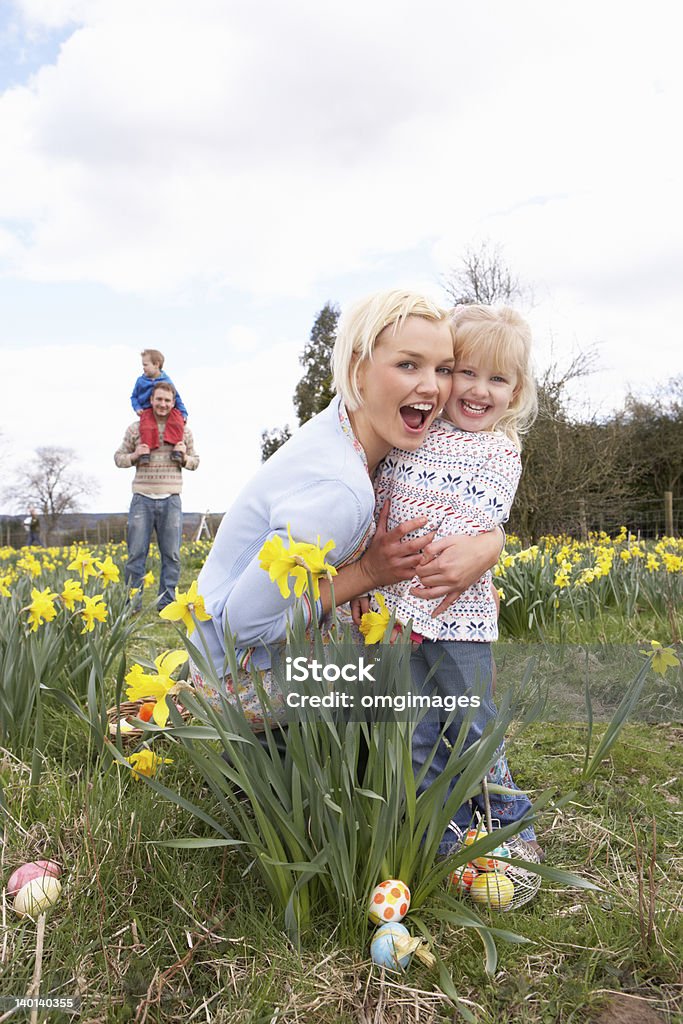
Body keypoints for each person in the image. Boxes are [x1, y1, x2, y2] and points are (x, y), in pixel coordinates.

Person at [190, 290, 505, 729]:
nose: (433, 386)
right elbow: (242, 626)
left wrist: (490, 544)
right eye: (408, 364)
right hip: (236, 681)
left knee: (437, 607)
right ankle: (425, 756)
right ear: (358, 370)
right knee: (408, 627)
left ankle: (439, 747)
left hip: (219, 655)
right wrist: (367, 576)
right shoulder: (341, 490)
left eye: (444, 369)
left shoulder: (352, 427)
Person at [365, 304, 541, 854]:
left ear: (516, 392)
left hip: (456, 617)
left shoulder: (500, 450)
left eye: (498, 379)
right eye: (467, 372)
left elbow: (471, 526)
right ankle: (442, 834)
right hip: (396, 614)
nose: (480, 390)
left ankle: (511, 828)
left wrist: (478, 557)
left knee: (471, 728)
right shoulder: (413, 434)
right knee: (415, 730)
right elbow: (382, 499)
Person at [115, 381, 200, 610]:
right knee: (135, 554)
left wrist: (183, 458)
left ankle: (167, 604)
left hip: (171, 498)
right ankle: (132, 605)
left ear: (174, 403)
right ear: (151, 400)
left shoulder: (183, 431)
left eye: (167, 400)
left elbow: (195, 462)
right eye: (158, 399)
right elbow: (118, 458)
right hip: (142, 498)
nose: (162, 404)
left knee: (171, 556)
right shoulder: (135, 429)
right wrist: (135, 455)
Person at [131, 349, 189, 465]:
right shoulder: (140, 381)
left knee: (177, 420)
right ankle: (145, 451)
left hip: (168, 413)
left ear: (156, 365)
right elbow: (134, 397)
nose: (143, 367)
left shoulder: (167, 381)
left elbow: (176, 398)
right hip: (147, 410)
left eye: (145, 365)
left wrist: (183, 413)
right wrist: (137, 408)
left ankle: (177, 448)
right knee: (146, 426)